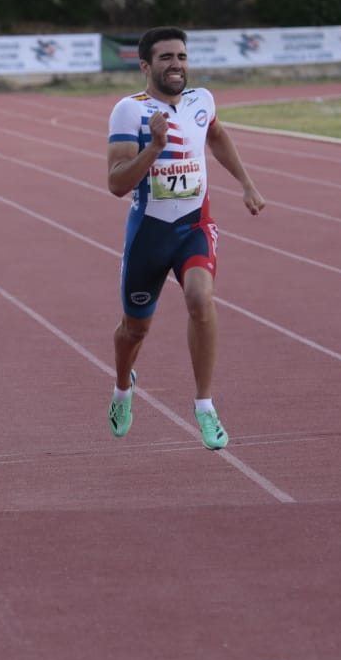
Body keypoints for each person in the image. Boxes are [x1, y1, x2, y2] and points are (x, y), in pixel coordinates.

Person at [105, 26, 265, 450]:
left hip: (195, 226)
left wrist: (246, 183)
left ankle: (205, 405)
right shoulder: (129, 111)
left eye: (181, 56)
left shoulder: (202, 100)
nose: (176, 65)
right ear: (145, 66)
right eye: (166, 58)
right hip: (149, 234)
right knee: (134, 331)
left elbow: (216, 135)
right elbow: (116, 183)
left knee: (199, 297)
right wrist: (154, 147)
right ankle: (122, 388)